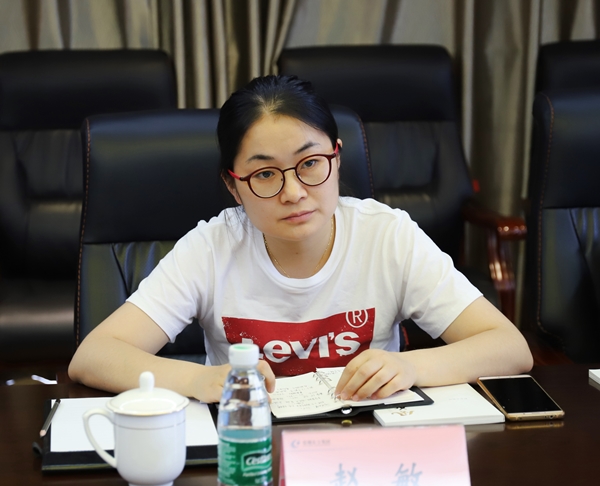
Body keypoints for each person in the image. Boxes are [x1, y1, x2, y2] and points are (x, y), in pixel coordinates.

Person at [68, 75, 532, 403]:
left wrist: (412, 367)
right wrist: (199, 380)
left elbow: (509, 348)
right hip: (250, 447)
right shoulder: (211, 248)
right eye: (266, 174)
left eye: (310, 164)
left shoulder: (386, 236)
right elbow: (94, 356)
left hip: (367, 446)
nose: (293, 192)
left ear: (337, 157)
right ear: (233, 185)